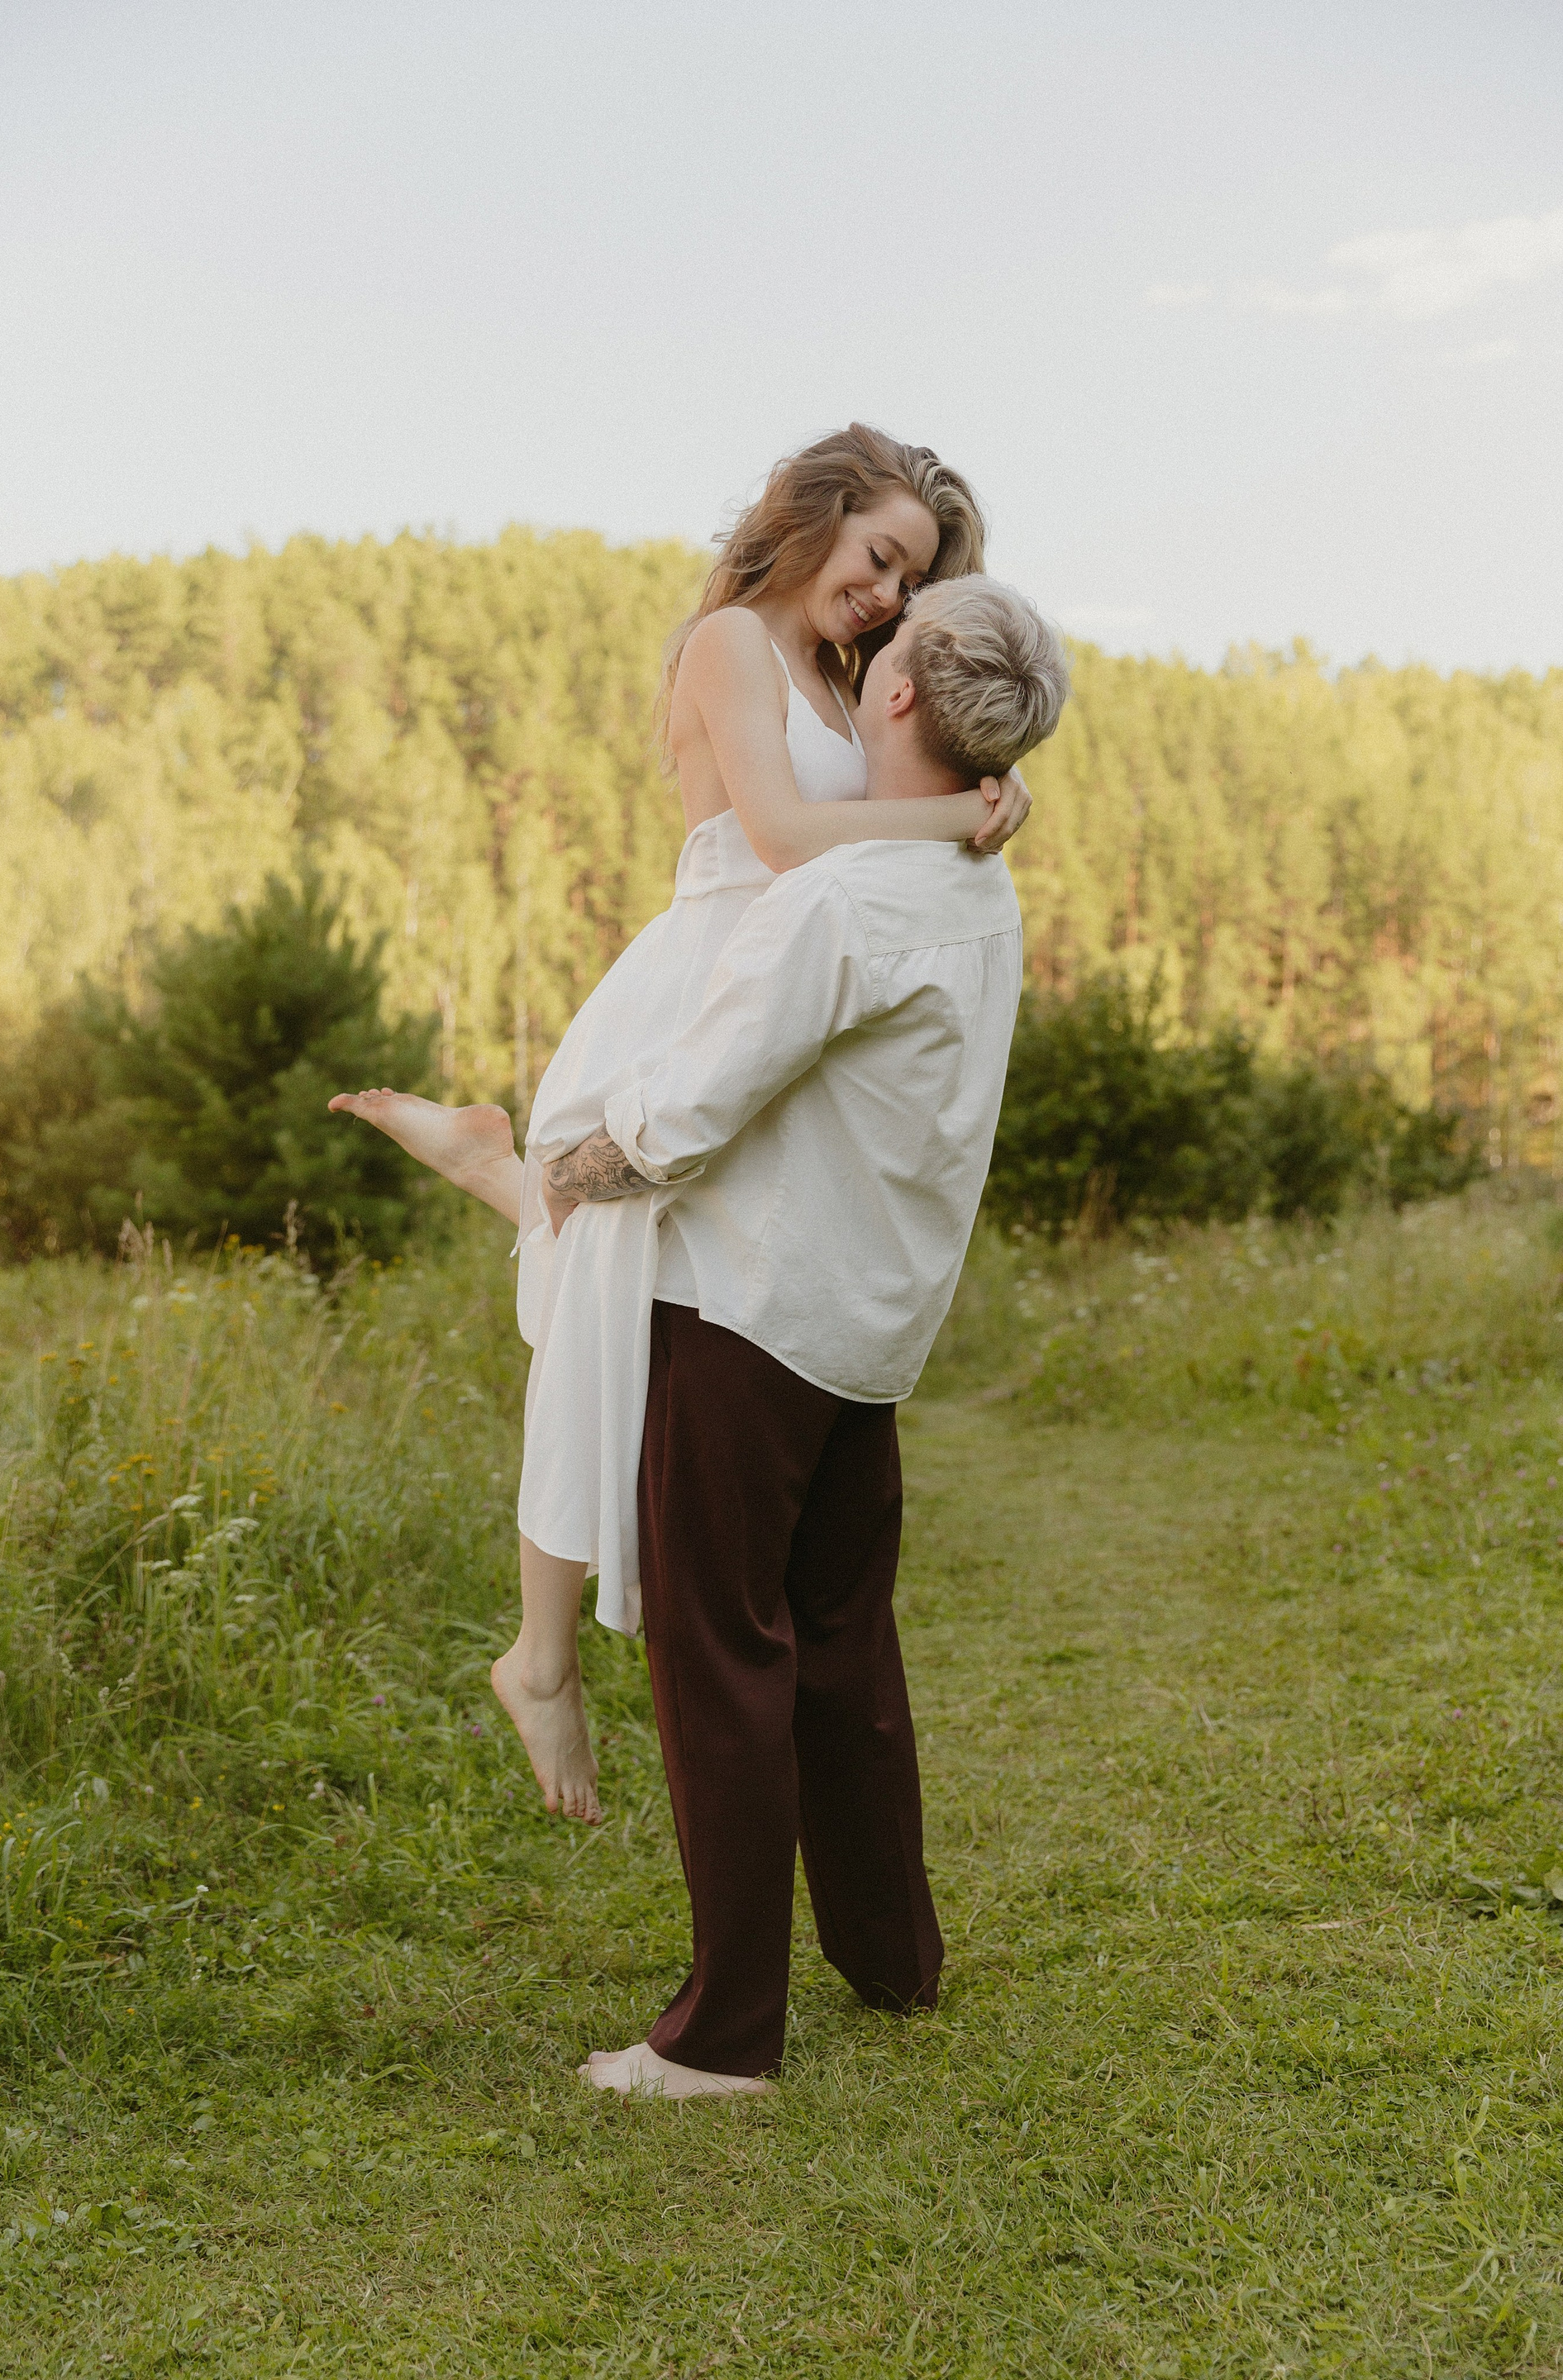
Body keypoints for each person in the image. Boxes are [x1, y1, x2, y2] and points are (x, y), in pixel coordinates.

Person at [333, 427, 1032, 1826]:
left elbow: (866, 823)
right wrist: (956, 814)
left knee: (617, 1269)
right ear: (820, 513)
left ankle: (501, 1173)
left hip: (781, 993)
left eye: (914, 580)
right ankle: (539, 1656)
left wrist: (980, 786)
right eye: (882, 555)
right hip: (709, 978)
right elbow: (777, 838)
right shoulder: (731, 643)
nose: (890, 594)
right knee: (602, 1288)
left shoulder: (844, 677)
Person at [531, 575, 1070, 2096]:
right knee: (840, 1639)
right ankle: (894, 1957)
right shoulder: (977, 884)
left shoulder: (842, 900)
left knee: (721, 1655)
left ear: (896, 696)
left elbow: (684, 1113)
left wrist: (562, 1176)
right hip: (872, 1319)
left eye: (889, 644)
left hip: (752, 1312)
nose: (868, 644)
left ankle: (722, 2040)